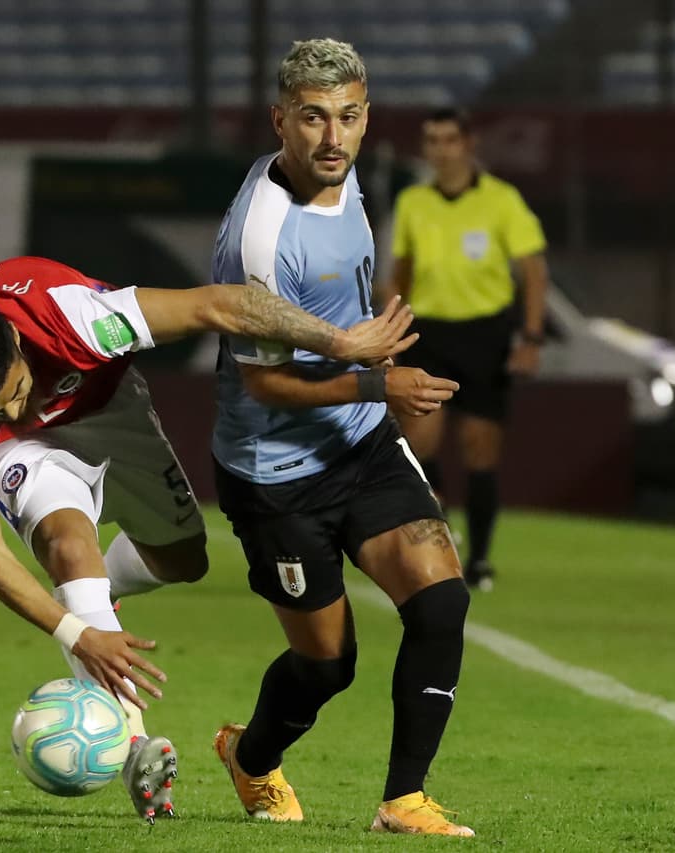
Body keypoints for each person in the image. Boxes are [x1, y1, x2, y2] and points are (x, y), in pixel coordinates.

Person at [0, 255, 415, 823]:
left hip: (105, 405)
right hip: (15, 455)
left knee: (182, 559)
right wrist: (77, 632)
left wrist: (340, 344)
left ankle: (89, 591)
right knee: (68, 546)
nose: (17, 411)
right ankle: (131, 747)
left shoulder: (73, 318)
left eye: (19, 390)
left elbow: (221, 304)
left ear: (18, 342)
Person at [209, 40, 475, 838]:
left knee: (442, 599)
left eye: (348, 117)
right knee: (327, 664)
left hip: (360, 443)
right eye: (313, 118)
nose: (333, 137)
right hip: (276, 473)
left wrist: (371, 379)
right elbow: (265, 385)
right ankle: (250, 756)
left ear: (365, 118)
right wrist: (377, 382)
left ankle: (404, 800)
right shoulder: (259, 241)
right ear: (279, 121)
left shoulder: (347, 176)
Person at [384, 107, 551, 591]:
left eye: (449, 140)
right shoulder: (413, 202)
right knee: (419, 443)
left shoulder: (501, 200)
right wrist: (390, 328)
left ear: (468, 144)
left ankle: (479, 559)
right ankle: (437, 526)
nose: (440, 150)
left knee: (480, 448)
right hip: (429, 333)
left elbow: (533, 271)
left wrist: (531, 337)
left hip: (485, 335)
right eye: (432, 141)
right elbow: (401, 271)